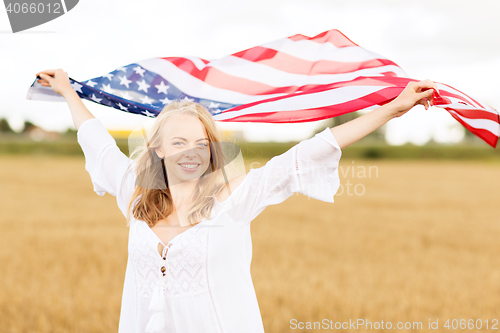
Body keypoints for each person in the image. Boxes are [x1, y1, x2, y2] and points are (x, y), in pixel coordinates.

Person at [35, 68, 437, 333]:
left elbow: (309, 153)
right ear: (157, 149)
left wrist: (391, 110)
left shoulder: (235, 199)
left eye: (200, 143)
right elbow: (97, 141)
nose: (190, 152)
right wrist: (67, 90)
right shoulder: (135, 194)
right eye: (178, 142)